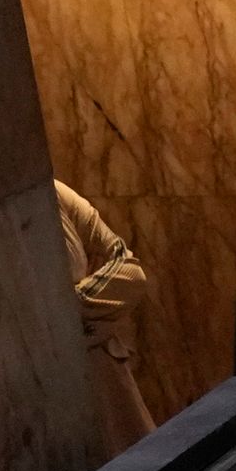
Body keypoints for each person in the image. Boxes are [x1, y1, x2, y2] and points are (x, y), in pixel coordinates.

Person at [55, 180, 153, 450]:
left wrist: (59, 314)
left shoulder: (56, 193)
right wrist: (94, 318)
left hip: (102, 373)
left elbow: (130, 271)